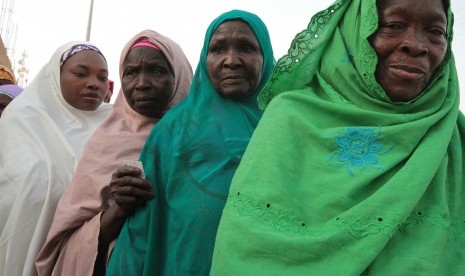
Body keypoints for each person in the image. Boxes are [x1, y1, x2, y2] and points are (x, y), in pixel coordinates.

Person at [211, 0, 464, 275]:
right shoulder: (291, 119)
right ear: (353, 30)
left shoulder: (453, 135)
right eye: (393, 25)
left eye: (435, 31)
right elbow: (248, 249)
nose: (416, 45)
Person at [105, 9, 275, 276]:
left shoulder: (285, 125)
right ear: (204, 59)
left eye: (246, 48)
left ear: (265, 56)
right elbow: (143, 229)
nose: (231, 60)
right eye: (218, 49)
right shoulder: (172, 130)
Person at [35, 29, 193, 276]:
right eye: (131, 72)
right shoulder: (105, 142)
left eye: (157, 71)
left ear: (180, 76)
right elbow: (65, 245)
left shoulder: (198, 139)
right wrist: (119, 208)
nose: (142, 83)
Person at [0, 42, 112, 276]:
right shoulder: (22, 119)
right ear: (55, 76)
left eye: (102, 78)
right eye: (81, 74)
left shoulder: (115, 127)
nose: (93, 83)